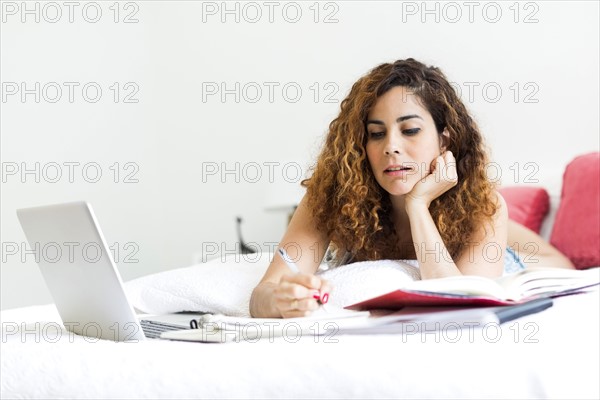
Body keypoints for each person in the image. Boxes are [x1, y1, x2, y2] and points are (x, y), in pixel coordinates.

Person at [249, 58, 573, 319]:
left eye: (411, 130)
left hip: (506, 262)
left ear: (444, 138)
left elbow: (462, 304)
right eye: (376, 134)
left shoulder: (483, 205)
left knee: (554, 262)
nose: (391, 146)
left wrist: (418, 205)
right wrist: (278, 300)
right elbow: (263, 295)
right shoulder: (329, 197)